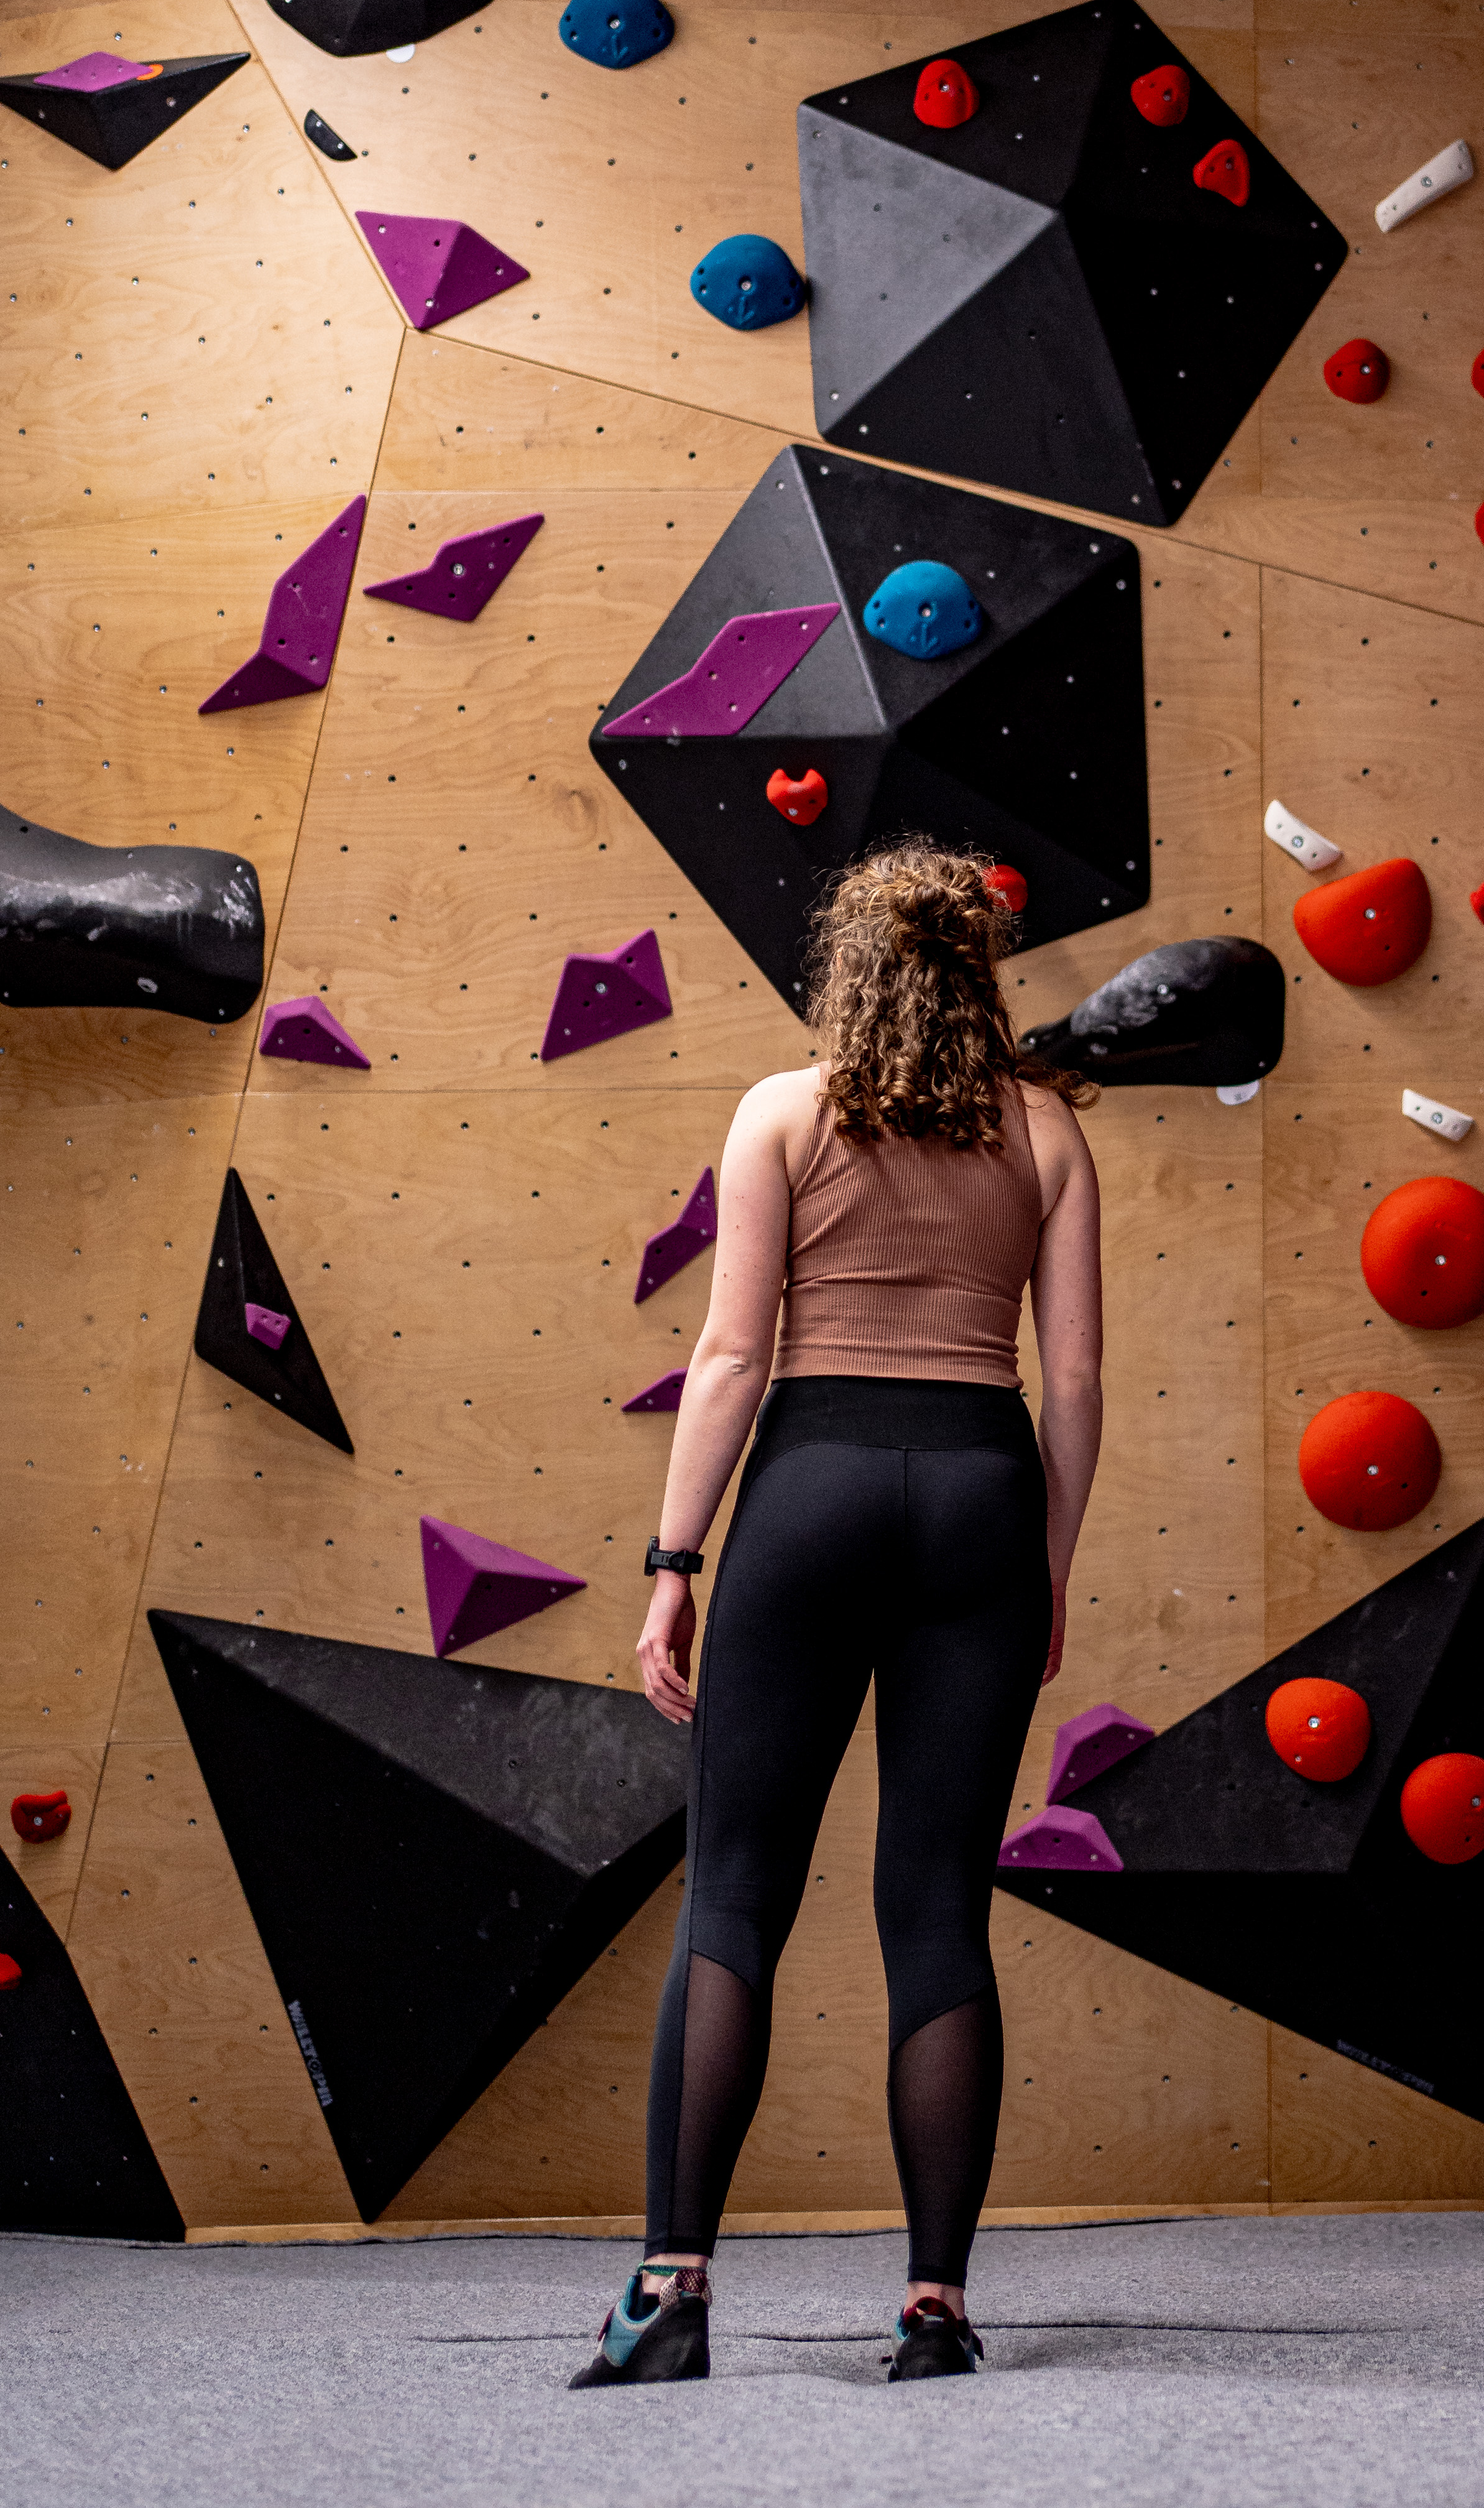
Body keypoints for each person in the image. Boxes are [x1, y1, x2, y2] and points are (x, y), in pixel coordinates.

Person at [570, 841, 1102, 2389]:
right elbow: (1068, 1384)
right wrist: (1046, 1564)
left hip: (807, 1497)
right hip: (980, 1498)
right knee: (936, 1910)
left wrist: (673, 1562)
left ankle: (672, 2292)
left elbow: (730, 1357)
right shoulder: (1049, 1133)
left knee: (734, 1893)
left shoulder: (780, 1114)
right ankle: (934, 2308)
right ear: (976, 976)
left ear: (846, 973)